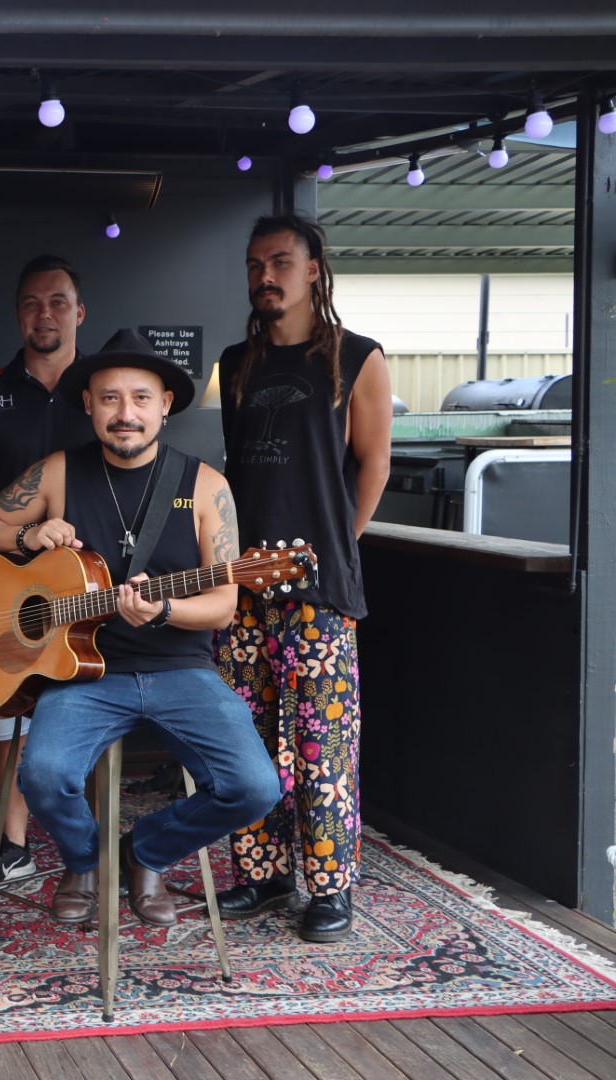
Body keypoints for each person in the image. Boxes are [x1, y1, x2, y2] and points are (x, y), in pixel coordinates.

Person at [0, 328, 279, 928]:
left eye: (140, 398)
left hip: (180, 670)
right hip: (84, 672)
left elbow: (222, 607)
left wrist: (161, 610)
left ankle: (143, 853)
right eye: (109, 398)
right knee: (45, 774)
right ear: (88, 404)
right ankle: (85, 859)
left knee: (254, 787)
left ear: (165, 404)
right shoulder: (57, 472)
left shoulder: (208, 486)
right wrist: (29, 536)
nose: (125, 413)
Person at [212, 215, 392, 943]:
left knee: (322, 744)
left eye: (281, 261)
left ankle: (329, 887)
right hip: (244, 589)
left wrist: (338, 545)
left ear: (315, 269)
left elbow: (374, 464)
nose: (266, 275)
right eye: (256, 263)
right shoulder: (238, 362)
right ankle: (259, 874)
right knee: (245, 742)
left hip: (320, 594)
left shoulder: (358, 358)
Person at [0, 254, 96, 891]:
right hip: (8, 581)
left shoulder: (105, 393)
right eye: (32, 303)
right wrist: (28, 537)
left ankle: (83, 849)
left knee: (86, 702)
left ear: (79, 312)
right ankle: (13, 847)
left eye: (58, 301)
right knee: (8, 715)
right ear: (17, 315)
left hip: (91, 578)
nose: (45, 314)